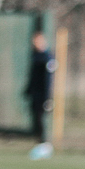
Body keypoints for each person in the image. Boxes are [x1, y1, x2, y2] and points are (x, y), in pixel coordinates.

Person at [26, 29, 55, 160]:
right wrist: (28, 89)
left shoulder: (47, 57)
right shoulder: (35, 56)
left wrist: (47, 97)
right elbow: (33, 77)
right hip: (35, 94)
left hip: (43, 95)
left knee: (41, 118)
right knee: (36, 119)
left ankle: (45, 146)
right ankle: (40, 144)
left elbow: (48, 79)